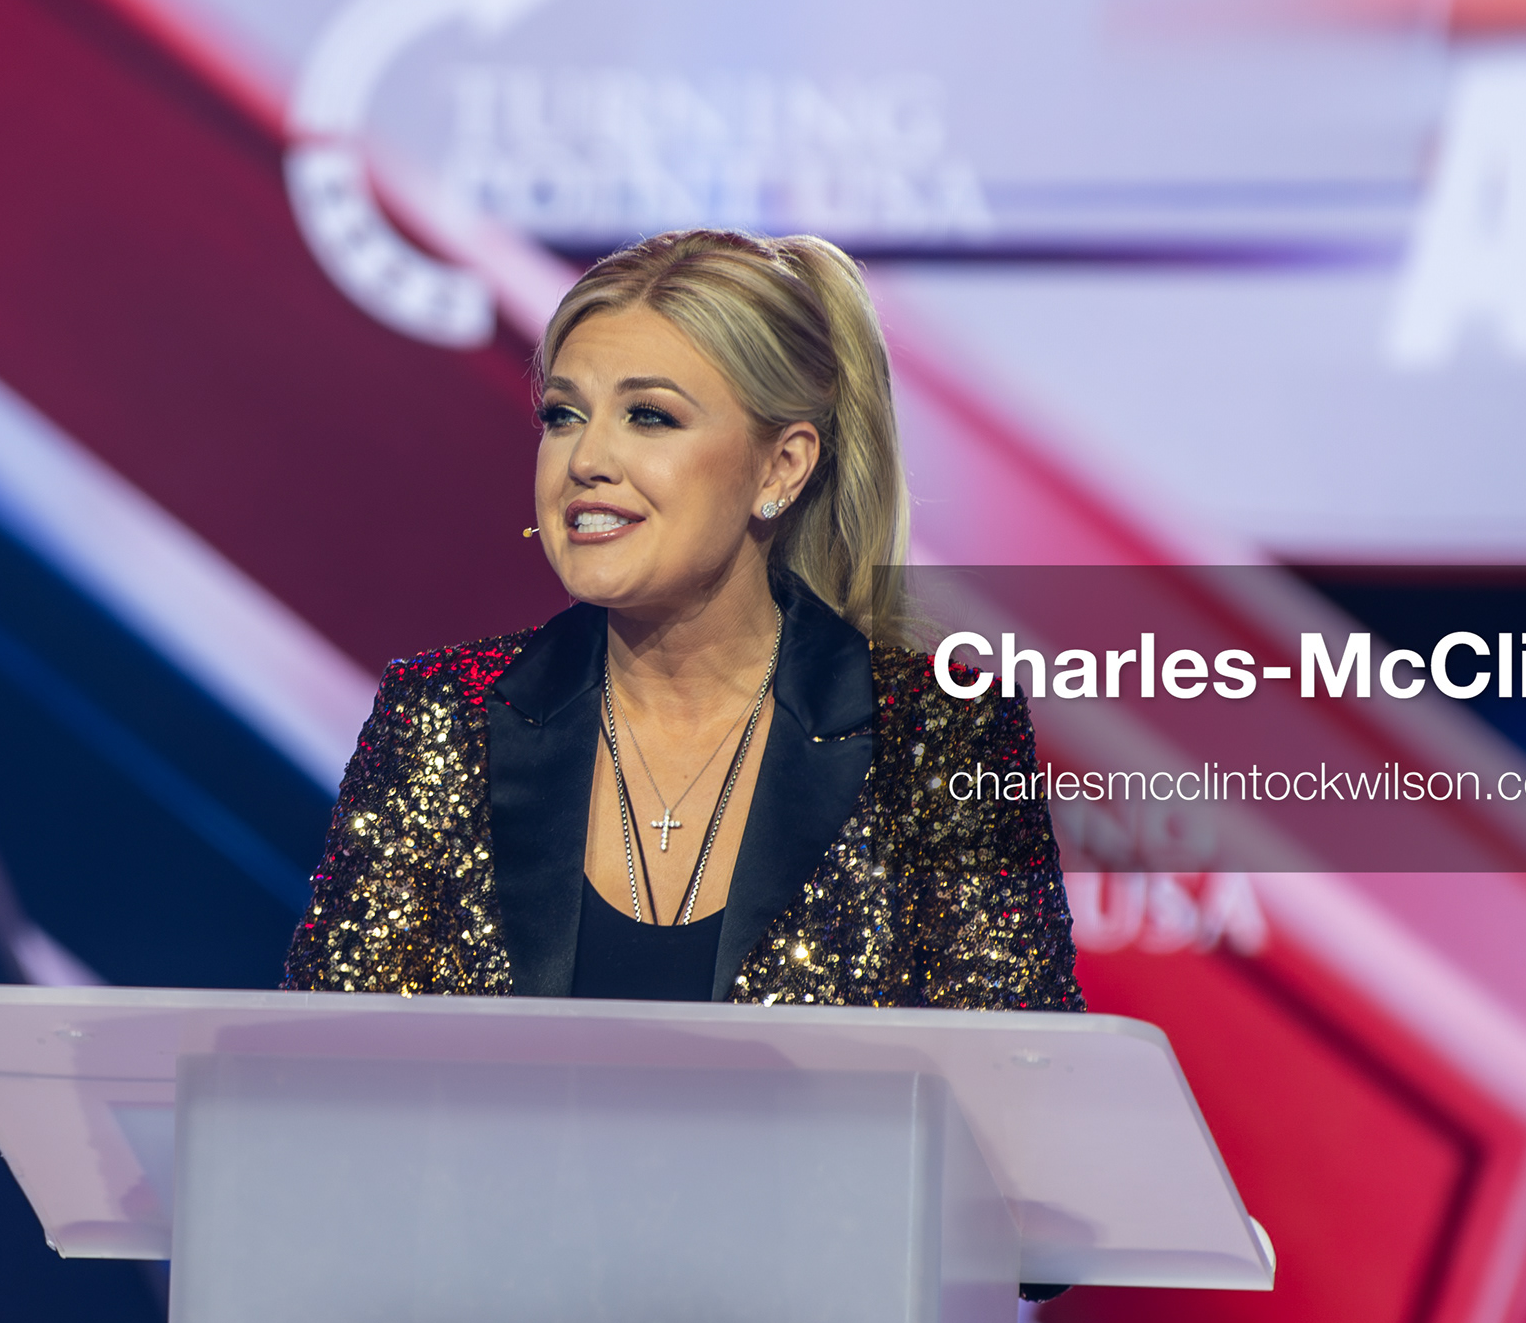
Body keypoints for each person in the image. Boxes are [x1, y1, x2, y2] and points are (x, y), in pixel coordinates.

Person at [282, 229, 1080, 1011]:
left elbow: (1022, 1076)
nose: (585, 460)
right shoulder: (443, 720)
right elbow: (319, 1064)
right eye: (564, 415)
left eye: (650, 417)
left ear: (782, 467)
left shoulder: (936, 736)